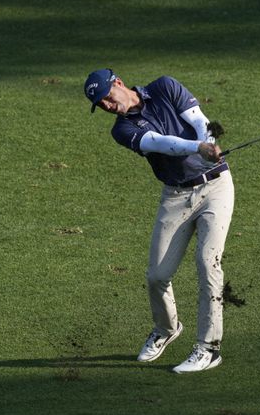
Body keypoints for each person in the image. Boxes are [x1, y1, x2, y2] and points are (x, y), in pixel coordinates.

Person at [84, 68, 234, 374]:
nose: (108, 107)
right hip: (176, 196)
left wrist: (208, 141)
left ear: (119, 84)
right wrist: (197, 147)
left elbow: (197, 119)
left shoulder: (165, 86)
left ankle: (208, 348)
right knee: (157, 275)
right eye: (101, 106)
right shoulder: (121, 131)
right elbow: (159, 142)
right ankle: (167, 328)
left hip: (216, 186)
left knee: (208, 263)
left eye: (108, 98)